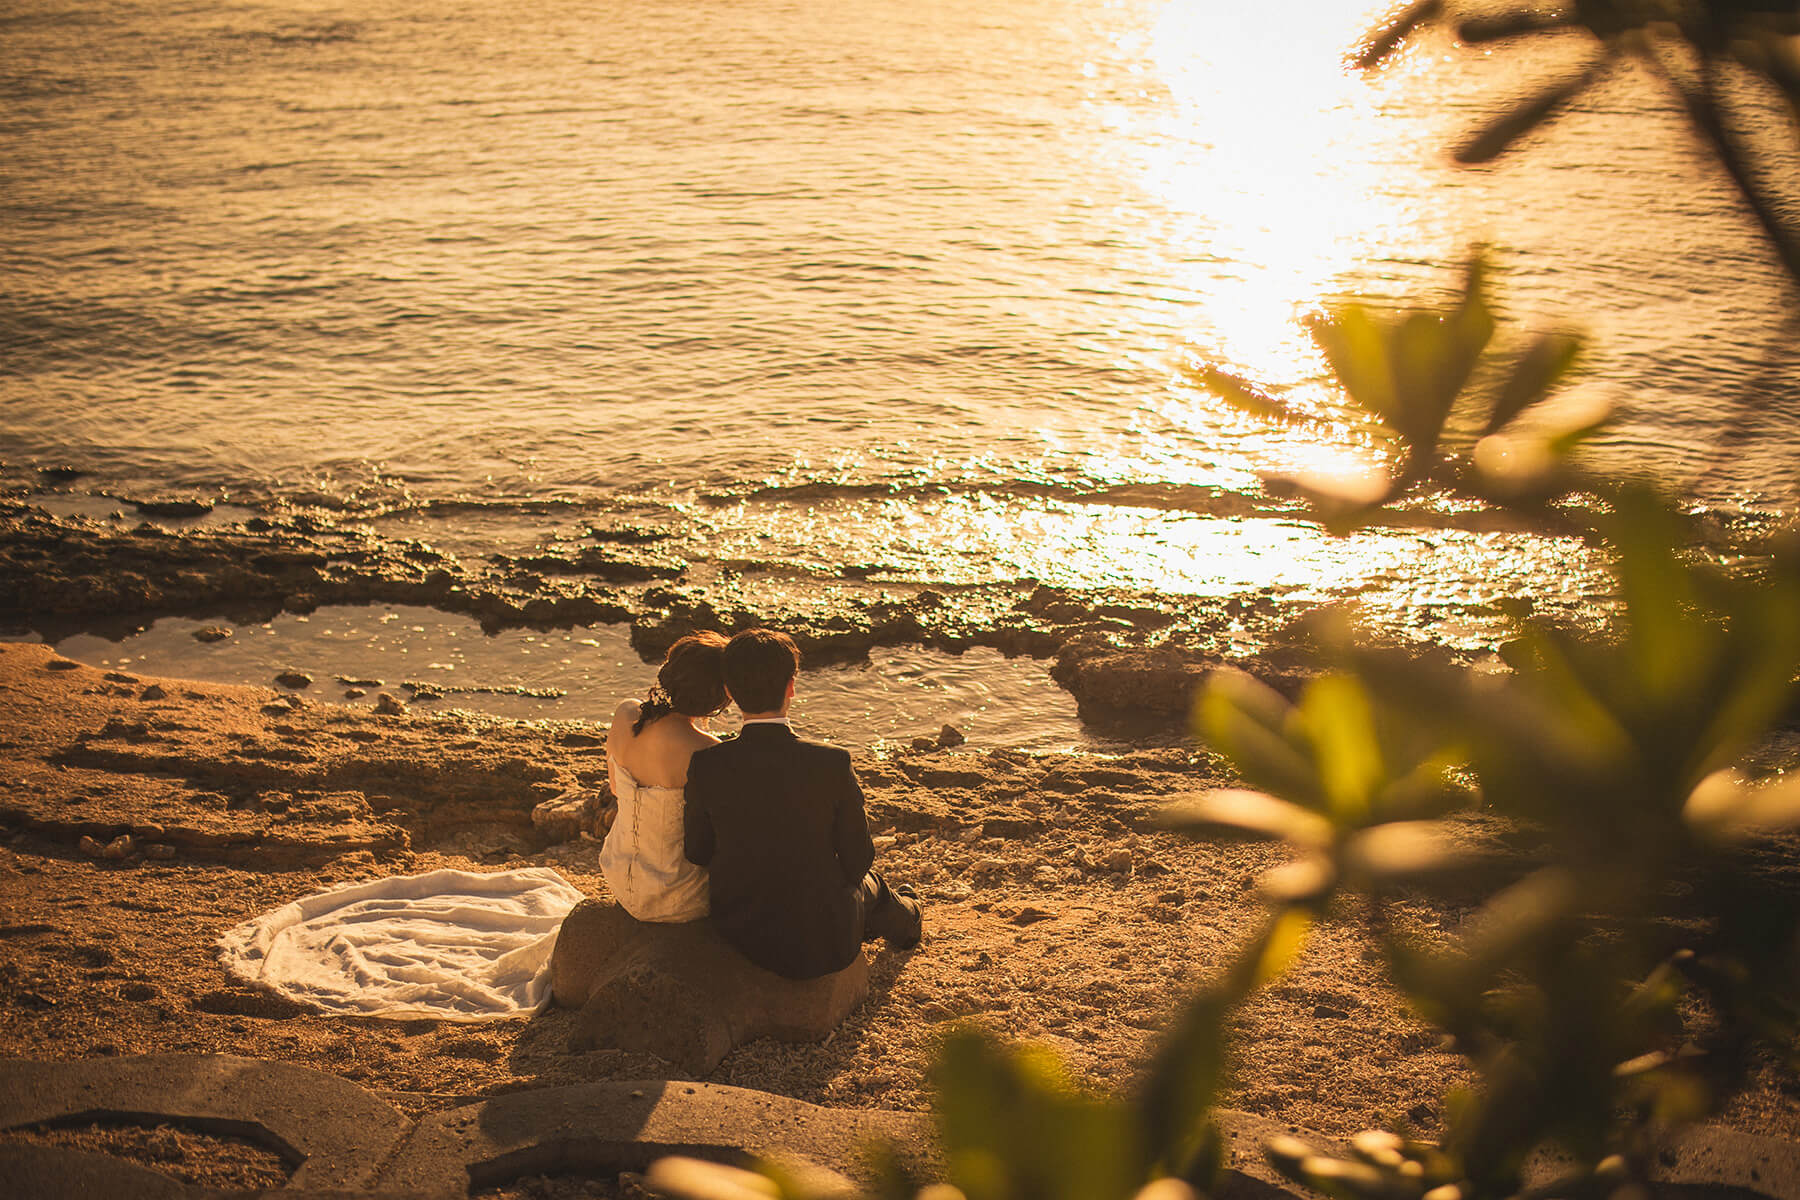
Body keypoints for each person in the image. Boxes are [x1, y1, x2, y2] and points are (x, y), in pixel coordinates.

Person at [683, 627, 922, 980]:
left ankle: (894, 911)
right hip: (824, 945)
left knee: (860, 887)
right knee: (872, 886)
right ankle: (909, 920)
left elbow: (698, 852)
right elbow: (858, 860)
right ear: (791, 686)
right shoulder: (831, 762)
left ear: (730, 693)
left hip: (740, 934)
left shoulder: (707, 765)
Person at [599, 631, 729, 922]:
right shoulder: (707, 750)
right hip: (678, 895)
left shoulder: (625, 712)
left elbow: (617, 789)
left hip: (618, 875)